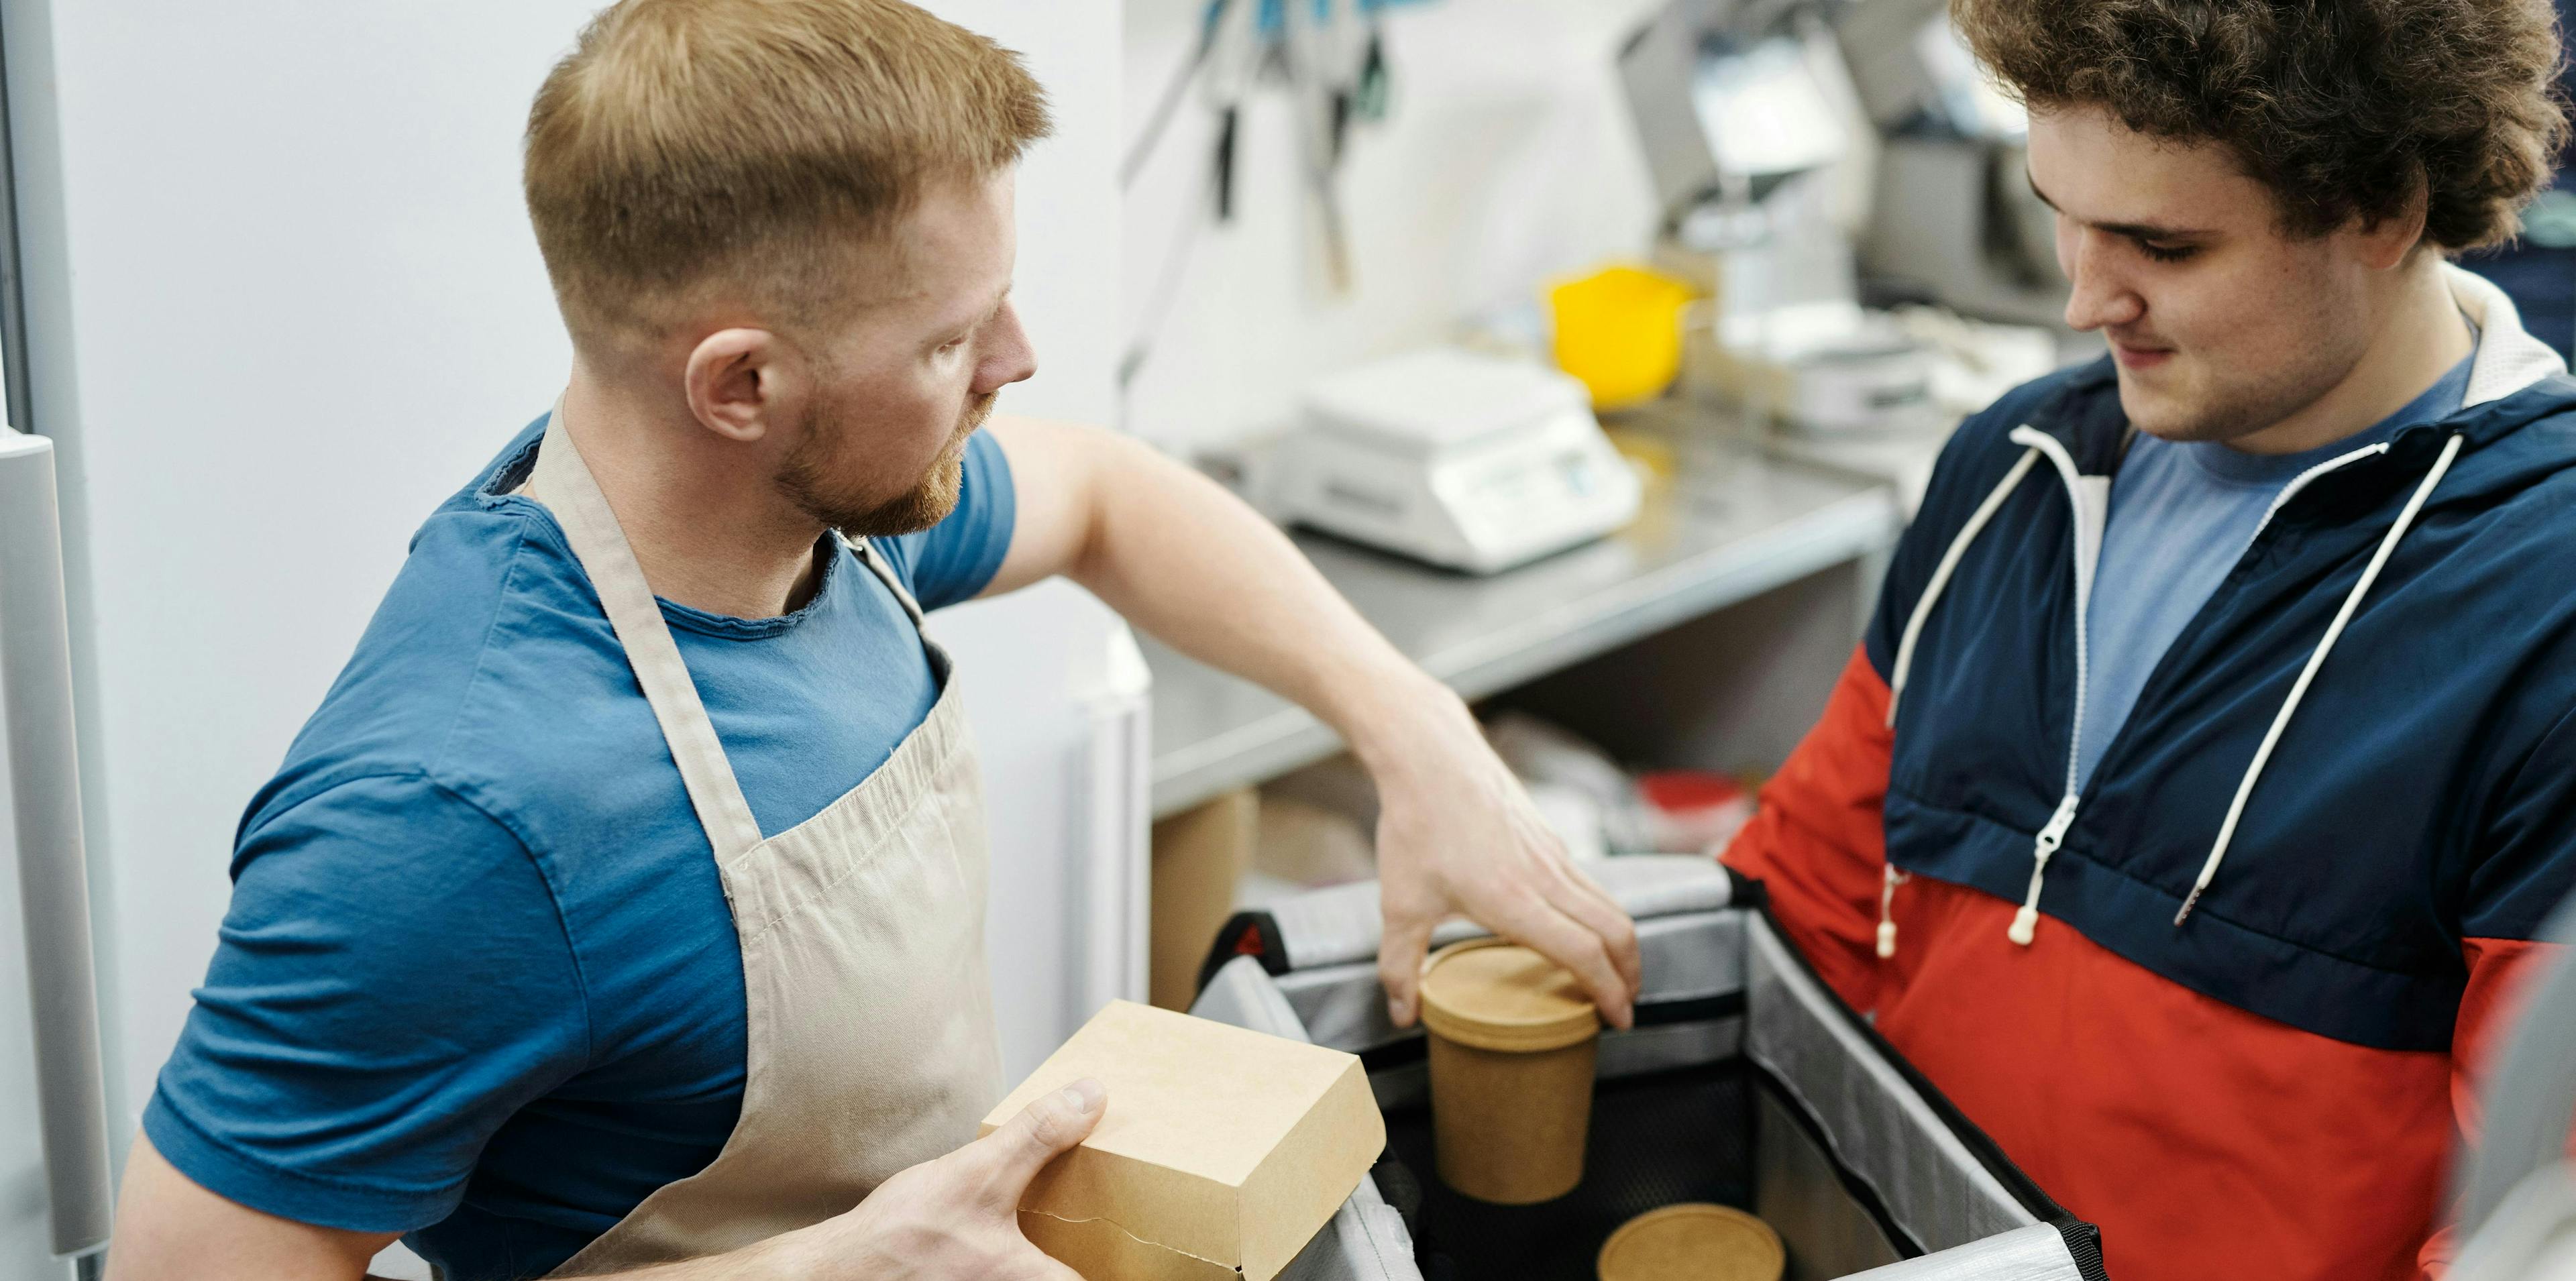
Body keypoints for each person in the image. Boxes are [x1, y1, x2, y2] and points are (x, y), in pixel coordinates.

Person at [101, 3, 1642, 1278]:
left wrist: (1416, 731)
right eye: (954, 339)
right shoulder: (461, 813)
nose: (1019, 362)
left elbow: (1111, 497)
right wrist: (821, 1269)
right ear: (741, 386)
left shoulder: (811, 511)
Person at [1720, 1, 2576, 1277]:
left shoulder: (2542, 609)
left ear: (2384, 211)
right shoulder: (2011, 472)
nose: (2082, 299)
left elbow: (2532, 1226)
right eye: (2058, 209)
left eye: (2162, 246)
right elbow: (1805, 918)